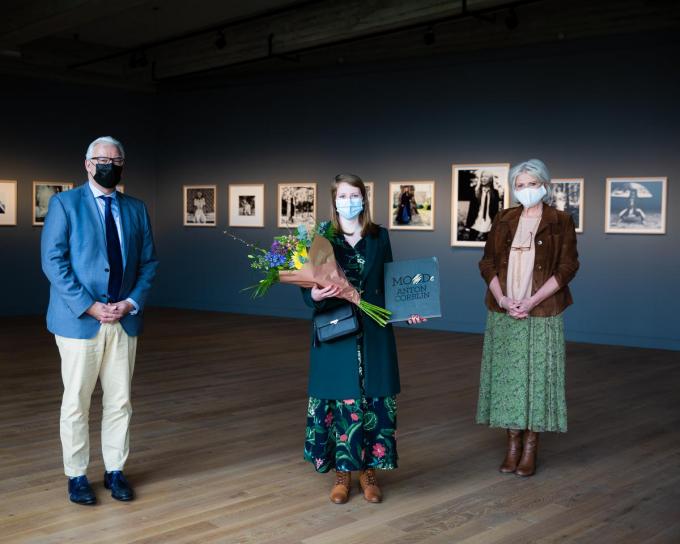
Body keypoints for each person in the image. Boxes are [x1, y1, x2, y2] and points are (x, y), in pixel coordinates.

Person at [41, 136, 158, 505]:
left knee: (120, 401)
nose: (111, 164)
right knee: (76, 401)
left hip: (123, 320)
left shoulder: (137, 209)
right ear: (88, 165)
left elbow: (149, 263)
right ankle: (77, 475)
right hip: (80, 322)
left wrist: (132, 302)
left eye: (117, 158)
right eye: (103, 159)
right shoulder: (65, 204)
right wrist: (90, 306)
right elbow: (53, 262)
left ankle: (115, 470)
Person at [302, 174, 426, 504]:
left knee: (373, 400)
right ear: (334, 200)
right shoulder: (322, 237)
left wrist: (409, 309)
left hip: (373, 332)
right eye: (343, 195)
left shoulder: (378, 236)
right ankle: (342, 474)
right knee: (340, 401)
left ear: (364, 199)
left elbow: (390, 280)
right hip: (335, 332)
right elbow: (308, 289)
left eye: (355, 195)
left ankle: (369, 471)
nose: (350, 200)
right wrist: (313, 294)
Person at [476, 159, 579, 477]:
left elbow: (567, 267)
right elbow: (487, 262)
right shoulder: (504, 218)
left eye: (532, 184)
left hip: (542, 313)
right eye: (520, 185)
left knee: (536, 380)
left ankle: (530, 448)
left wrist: (531, 301)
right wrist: (504, 298)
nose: (526, 190)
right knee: (509, 381)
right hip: (504, 311)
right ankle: (511, 446)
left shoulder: (560, 221)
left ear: (545, 185)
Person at [464, 170, 501, 241]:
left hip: (489, 222)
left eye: (486, 177)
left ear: (490, 179)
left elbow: (495, 210)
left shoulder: (495, 193)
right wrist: (468, 225)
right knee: (471, 240)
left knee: (488, 245)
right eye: (482, 177)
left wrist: (496, 224)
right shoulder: (475, 191)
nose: (483, 178)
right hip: (476, 221)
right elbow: (471, 209)